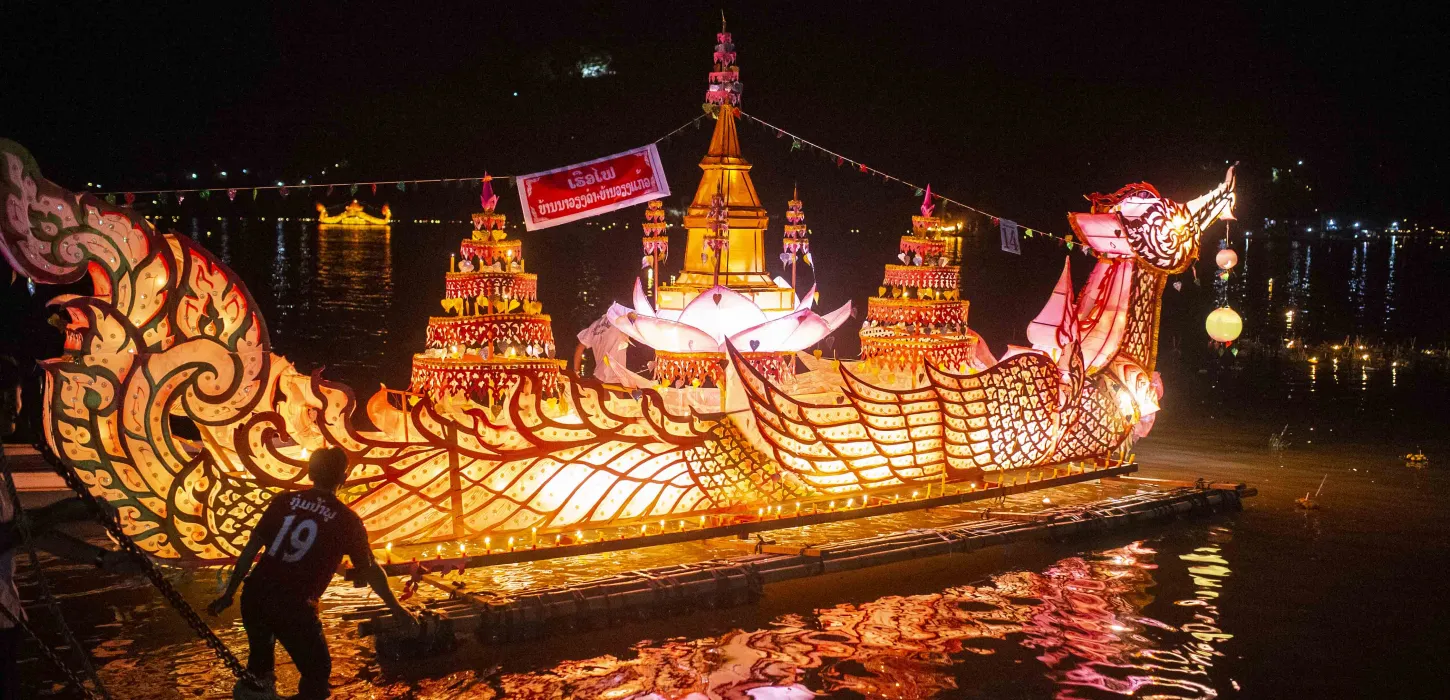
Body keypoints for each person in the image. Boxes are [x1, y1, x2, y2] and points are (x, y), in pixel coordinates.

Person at [208, 447, 417, 699]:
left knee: (259, 668)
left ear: (309, 473)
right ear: (344, 478)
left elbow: (250, 551)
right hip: (294, 605)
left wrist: (230, 593)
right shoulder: (346, 520)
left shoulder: (283, 502)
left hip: (255, 596)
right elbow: (370, 570)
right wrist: (397, 608)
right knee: (317, 673)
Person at [1, 356, 137, 700]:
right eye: (4, 397)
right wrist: (68, 510)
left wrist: (102, 559)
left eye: (14, 394)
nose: (15, 405)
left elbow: (28, 533)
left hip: (8, 618)